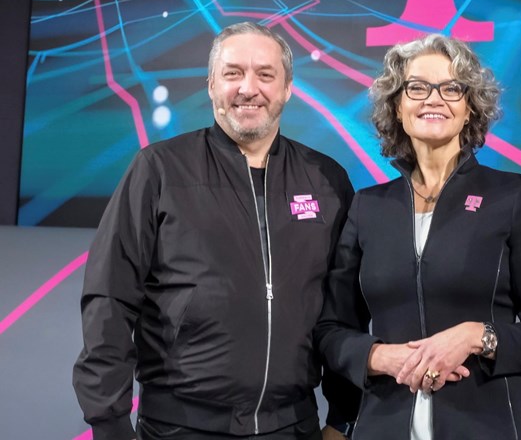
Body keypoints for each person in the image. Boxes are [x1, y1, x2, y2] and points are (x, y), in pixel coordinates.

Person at [73, 22, 359, 440]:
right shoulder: (159, 169)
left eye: (265, 74)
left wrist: (342, 416)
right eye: (232, 73)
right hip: (179, 427)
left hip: (293, 426)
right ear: (211, 85)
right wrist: (109, 421)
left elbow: (344, 309)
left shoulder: (326, 181)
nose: (249, 88)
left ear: (287, 88)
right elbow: (109, 298)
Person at [314, 33, 521, 439]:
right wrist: (379, 357)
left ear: (470, 109)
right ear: (398, 106)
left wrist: (477, 337)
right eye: (417, 87)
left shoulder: (512, 196)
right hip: (383, 425)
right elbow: (330, 330)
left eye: (451, 88)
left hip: (490, 426)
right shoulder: (367, 207)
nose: (434, 98)